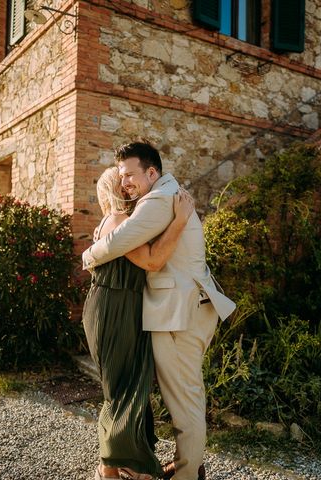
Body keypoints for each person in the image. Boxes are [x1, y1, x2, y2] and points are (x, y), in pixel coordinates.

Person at [83, 142, 236, 480]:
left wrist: (88, 255)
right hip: (178, 310)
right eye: (121, 177)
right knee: (180, 399)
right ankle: (183, 467)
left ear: (152, 172)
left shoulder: (157, 201)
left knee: (185, 405)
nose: (126, 183)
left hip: (179, 314)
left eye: (130, 175)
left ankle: (187, 475)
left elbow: (121, 246)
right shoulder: (165, 195)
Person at [83, 166, 196, 480]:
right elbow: (152, 260)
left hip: (125, 307)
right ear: (115, 190)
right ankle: (115, 468)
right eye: (124, 182)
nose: (130, 186)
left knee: (131, 385)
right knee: (123, 389)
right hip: (113, 309)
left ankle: (126, 465)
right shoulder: (119, 222)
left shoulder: (124, 223)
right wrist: (181, 219)